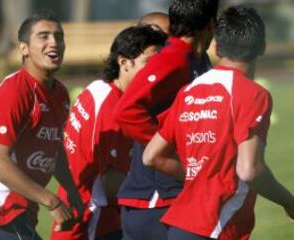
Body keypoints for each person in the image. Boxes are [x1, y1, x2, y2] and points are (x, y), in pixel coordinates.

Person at [143, 5, 294, 240]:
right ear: (262, 47)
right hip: (216, 228)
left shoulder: (189, 91)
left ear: (215, 46)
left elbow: (152, 156)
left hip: (179, 227)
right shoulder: (253, 94)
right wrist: (289, 201)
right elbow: (249, 170)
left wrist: (198, 176)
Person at [0, 10, 84, 240]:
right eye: (44, 36)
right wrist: (52, 200)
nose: (54, 42)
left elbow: (53, 148)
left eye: (59, 36)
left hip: (20, 218)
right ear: (24, 48)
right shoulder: (14, 92)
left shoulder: (59, 94)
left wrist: (71, 190)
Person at [113, 0, 218, 239]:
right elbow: (125, 111)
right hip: (155, 199)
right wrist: (166, 148)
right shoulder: (173, 57)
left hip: (177, 194)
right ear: (212, 24)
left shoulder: (198, 59)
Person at [50, 25, 166, 240]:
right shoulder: (115, 110)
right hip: (94, 221)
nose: (156, 72)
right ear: (124, 62)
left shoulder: (97, 88)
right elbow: (111, 184)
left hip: (75, 208)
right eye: (149, 64)